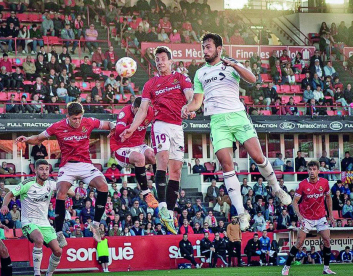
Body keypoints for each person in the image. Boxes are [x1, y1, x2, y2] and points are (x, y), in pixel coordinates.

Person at [182, 33, 291, 231]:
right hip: (217, 121)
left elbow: (252, 79)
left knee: (258, 157)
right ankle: (241, 213)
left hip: (238, 116)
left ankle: (277, 188)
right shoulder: (200, 73)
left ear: (218, 49)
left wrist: (234, 65)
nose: (205, 51)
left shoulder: (231, 64)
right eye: (203, 47)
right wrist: (187, 108)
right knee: (226, 165)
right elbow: (197, 101)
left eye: (208, 47)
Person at [16, 102, 115, 246]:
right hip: (67, 166)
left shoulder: (88, 122)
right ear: (67, 116)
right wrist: (26, 139)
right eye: (74, 118)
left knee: (103, 186)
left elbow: (107, 123)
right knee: (61, 192)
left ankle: (95, 224)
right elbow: (38, 138)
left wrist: (113, 127)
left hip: (85, 164)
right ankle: (59, 232)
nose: (77, 121)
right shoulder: (57, 126)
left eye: (79, 118)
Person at [120, 46, 194, 234]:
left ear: (170, 61)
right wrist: (131, 128)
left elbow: (190, 96)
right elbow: (143, 110)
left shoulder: (180, 78)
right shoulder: (150, 84)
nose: (160, 62)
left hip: (178, 127)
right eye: (157, 59)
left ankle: (168, 212)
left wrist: (190, 107)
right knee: (162, 161)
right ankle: (161, 206)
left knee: (176, 171)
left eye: (163, 59)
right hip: (160, 124)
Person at [1, 159, 68, 276]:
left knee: (58, 251)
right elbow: (9, 194)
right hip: (29, 222)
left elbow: (69, 191)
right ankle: (37, 273)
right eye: (41, 169)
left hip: (45, 223)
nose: (44, 172)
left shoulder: (51, 184)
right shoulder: (27, 184)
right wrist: (5, 205)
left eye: (47, 169)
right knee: (39, 239)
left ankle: (49, 274)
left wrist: (66, 184)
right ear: (35, 170)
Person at [282, 161, 336, 275]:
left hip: (321, 216)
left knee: (327, 240)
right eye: (310, 169)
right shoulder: (302, 185)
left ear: (318, 171)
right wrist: (299, 216)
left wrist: (331, 215)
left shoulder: (325, 182)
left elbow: (328, 198)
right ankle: (286, 267)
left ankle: (326, 268)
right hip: (306, 217)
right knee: (299, 242)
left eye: (314, 169)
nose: (312, 171)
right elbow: (294, 202)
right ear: (307, 171)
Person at [110, 97, 158, 209]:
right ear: (134, 107)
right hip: (122, 147)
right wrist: (133, 126)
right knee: (140, 158)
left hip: (139, 145)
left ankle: (161, 187)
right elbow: (119, 130)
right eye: (139, 111)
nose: (142, 114)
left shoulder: (149, 111)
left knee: (153, 156)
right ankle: (146, 193)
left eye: (144, 111)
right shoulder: (124, 112)